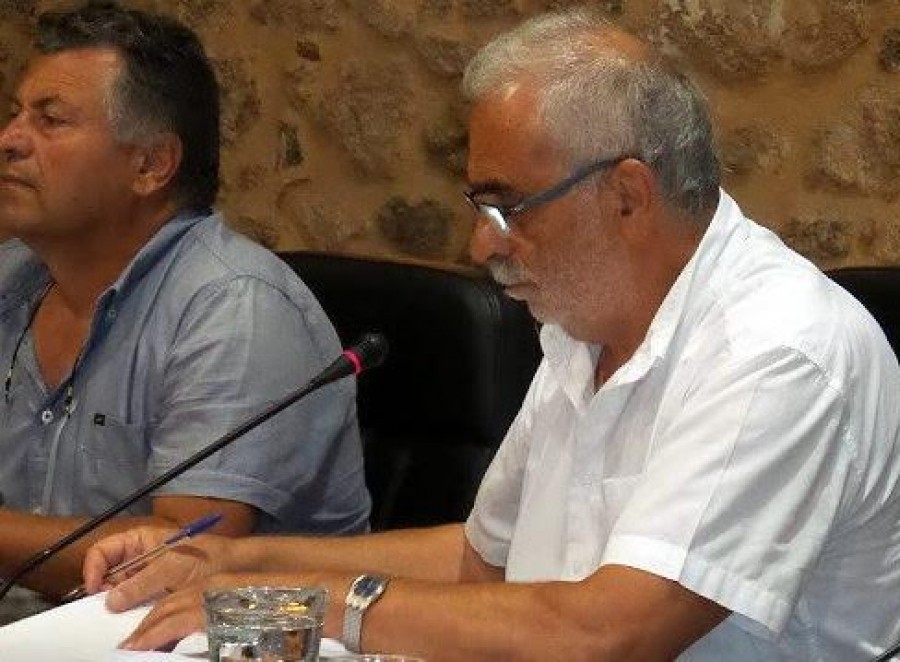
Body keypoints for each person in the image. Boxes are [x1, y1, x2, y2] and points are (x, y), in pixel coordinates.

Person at [83, 7, 900, 660]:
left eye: (507, 206)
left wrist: (318, 603)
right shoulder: (586, 320)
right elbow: (483, 559)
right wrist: (238, 562)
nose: (483, 246)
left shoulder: (775, 349)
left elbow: (606, 636)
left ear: (626, 195)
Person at [0, 0, 370, 606]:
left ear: (151, 165)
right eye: (14, 114)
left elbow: (179, 557)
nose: (10, 140)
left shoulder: (236, 309)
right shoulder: (13, 276)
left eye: (51, 120)